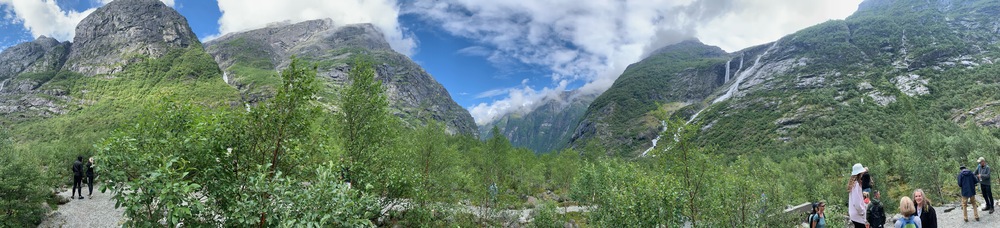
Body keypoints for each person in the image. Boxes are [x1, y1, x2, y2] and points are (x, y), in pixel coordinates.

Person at [849, 163, 868, 228]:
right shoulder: (856, 185)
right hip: (857, 215)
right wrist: (862, 211)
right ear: (860, 173)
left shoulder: (853, 184)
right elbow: (856, 202)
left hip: (854, 214)